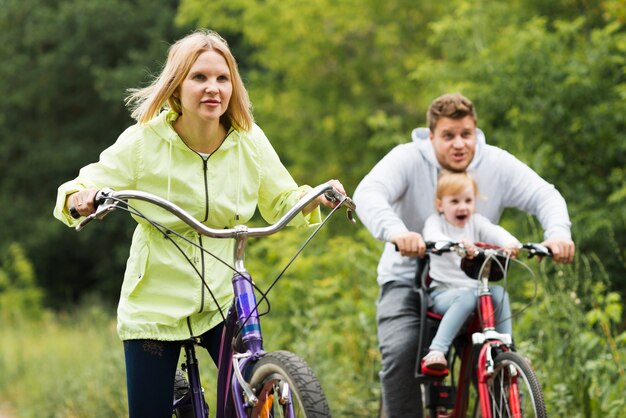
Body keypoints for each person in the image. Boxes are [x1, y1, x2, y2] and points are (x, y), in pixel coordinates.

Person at [53, 29, 346, 418]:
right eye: (200, 78)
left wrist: (316, 196)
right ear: (177, 87)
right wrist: (82, 199)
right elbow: (85, 182)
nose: (213, 89)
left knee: (246, 389)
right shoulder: (144, 141)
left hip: (223, 295)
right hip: (155, 303)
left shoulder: (249, 141)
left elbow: (280, 201)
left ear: (233, 87)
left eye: (222, 79)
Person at [353, 92, 575, 417]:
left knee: (498, 356)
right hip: (406, 280)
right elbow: (368, 193)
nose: (459, 144)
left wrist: (557, 234)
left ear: (475, 133)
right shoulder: (408, 159)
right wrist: (397, 232)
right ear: (431, 138)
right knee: (401, 352)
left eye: (466, 135)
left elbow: (544, 194)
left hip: (474, 280)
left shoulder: (496, 163)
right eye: (448, 136)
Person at [421, 170, 520, 371]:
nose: (463, 207)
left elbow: (497, 232)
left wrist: (510, 244)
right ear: (441, 205)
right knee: (467, 297)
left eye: (468, 200)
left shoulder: (477, 222)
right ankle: (437, 350)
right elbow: (433, 237)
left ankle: (506, 350)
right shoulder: (435, 223)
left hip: (477, 291)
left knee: (500, 293)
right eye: (455, 201)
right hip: (444, 293)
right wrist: (456, 244)